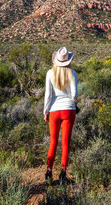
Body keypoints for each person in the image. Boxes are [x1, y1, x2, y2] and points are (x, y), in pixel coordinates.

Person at [43, 46, 78, 185]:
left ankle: (48, 172)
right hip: (69, 110)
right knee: (65, 143)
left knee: (53, 142)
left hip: (54, 111)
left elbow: (48, 95)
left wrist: (46, 111)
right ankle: (63, 174)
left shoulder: (50, 73)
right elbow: (74, 94)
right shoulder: (72, 73)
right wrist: (74, 104)